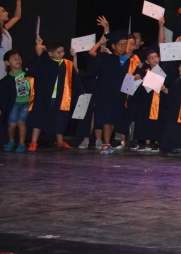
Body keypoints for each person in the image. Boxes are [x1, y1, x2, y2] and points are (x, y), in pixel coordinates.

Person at [86, 19, 140, 153]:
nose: (123, 47)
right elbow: (92, 53)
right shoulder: (106, 58)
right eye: (120, 45)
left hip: (118, 94)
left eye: (125, 45)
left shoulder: (128, 60)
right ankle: (105, 144)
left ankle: (108, 143)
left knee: (113, 120)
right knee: (106, 119)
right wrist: (100, 42)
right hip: (105, 93)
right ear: (113, 46)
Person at [25, 36, 79, 151]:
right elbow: (38, 47)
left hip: (61, 97)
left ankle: (60, 142)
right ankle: (33, 143)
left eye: (63, 51)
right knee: (39, 118)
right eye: (58, 52)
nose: (62, 54)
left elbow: (75, 74)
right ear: (50, 53)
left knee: (60, 118)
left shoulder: (66, 64)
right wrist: (48, 48)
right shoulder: (45, 61)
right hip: (44, 96)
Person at [0, 50, 31, 152]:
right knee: (12, 125)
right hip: (15, 104)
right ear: (7, 63)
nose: (18, 60)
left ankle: (21, 144)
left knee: (21, 122)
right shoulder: (6, 80)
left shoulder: (27, 72)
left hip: (27, 102)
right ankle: (11, 141)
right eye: (14, 58)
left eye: (19, 58)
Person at [0, 0, 22, 79]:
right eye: (3, 11)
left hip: (6, 65)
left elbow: (17, 16)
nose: (7, 13)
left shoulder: (4, 29)